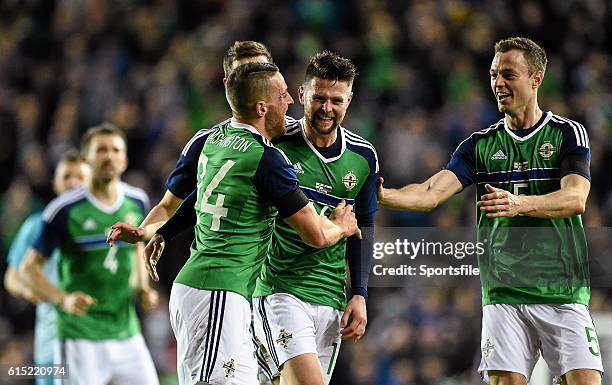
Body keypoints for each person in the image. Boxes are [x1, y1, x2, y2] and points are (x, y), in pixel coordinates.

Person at [112, 62, 360, 385]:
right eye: (283, 96)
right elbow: (314, 233)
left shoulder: (215, 140)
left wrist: (160, 231)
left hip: (212, 291)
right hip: (218, 292)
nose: (290, 104)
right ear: (261, 108)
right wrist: (341, 225)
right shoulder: (267, 160)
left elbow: (198, 200)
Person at [377, 37, 603, 385]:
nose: (498, 83)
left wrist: (519, 203)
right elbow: (428, 194)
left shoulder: (567, 134)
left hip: (562, 289)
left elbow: (575, 198)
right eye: (494, 74)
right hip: (503, 292)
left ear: (536, 78)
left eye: (509, 75)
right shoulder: (479, 145)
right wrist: (381, 195)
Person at [251, 51, 377, 385]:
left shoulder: (363, 157)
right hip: (280, 290)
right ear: (302, 94)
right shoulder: (274, 144)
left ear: (349, 99)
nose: (326, 108)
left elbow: (364, 227)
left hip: (331, 300)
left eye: (337, 100)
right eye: (318, 98)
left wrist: (360, 293)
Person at [20, 123, 160, 385]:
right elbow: (28, 269)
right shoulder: (63, 210)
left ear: (125, 159)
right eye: (102, 150)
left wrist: (143, 287)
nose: (110, 156)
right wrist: (63, 299)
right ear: (86, 160)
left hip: (126, 332)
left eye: (116, 150)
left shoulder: (137, 201)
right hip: (79, 336)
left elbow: (137, 246)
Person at [4, 150, 90, 385]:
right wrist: (27, 289)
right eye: (67, 176)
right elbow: (12, 276)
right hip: (52, 344)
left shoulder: (105, 227)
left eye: (80, 176)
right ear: (55, 182)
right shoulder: (37, 225)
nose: (74, 182)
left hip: (98, 340)